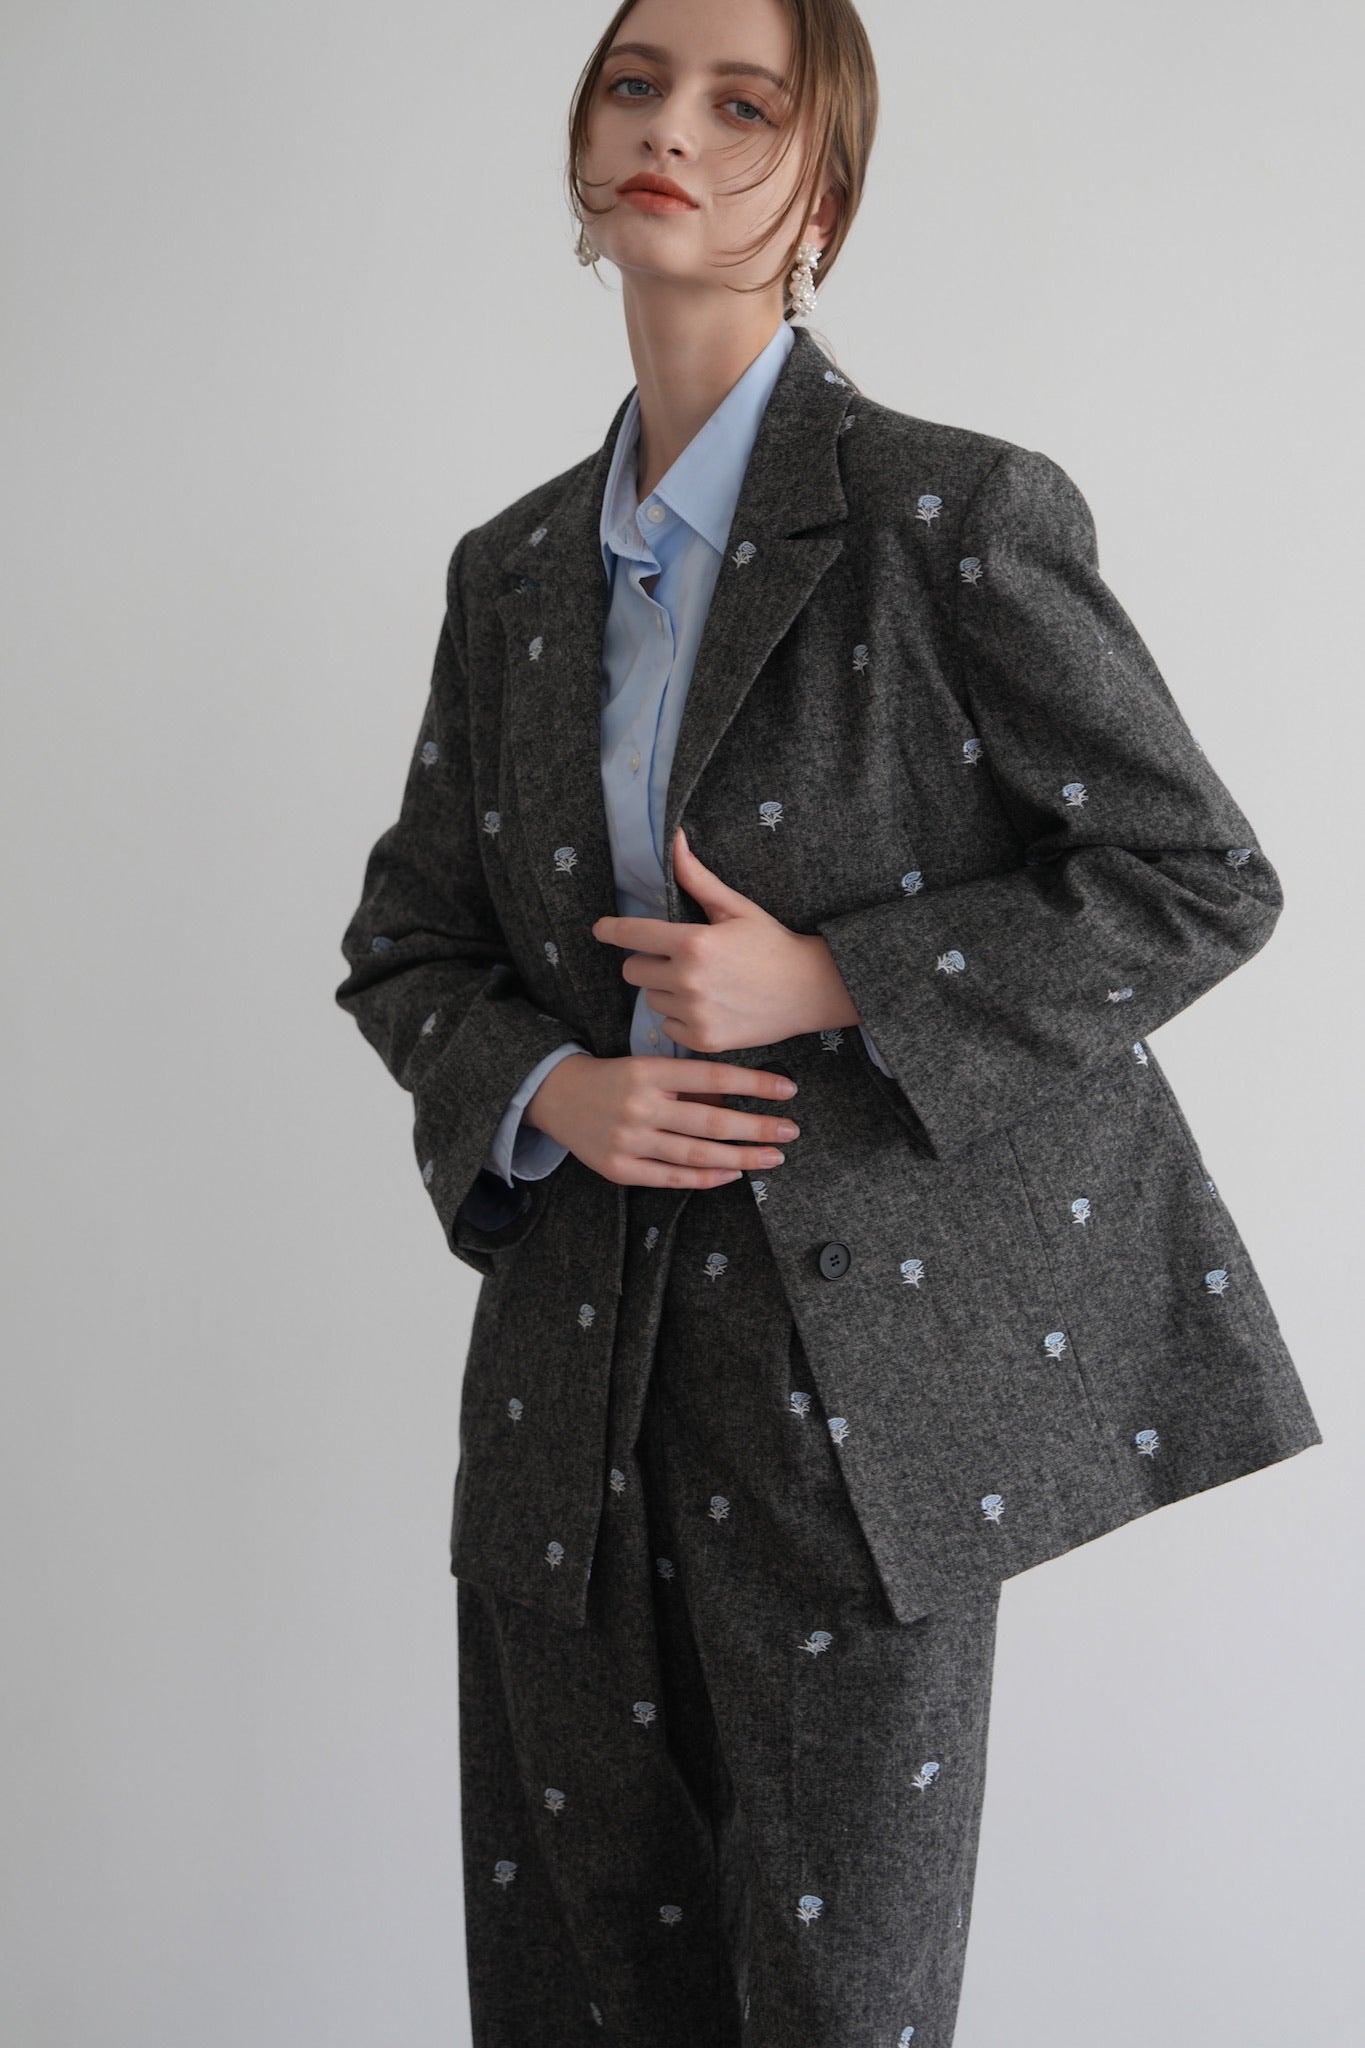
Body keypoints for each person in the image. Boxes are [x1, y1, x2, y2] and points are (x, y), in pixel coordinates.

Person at [333, 2, 1323, 2041]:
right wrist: (547, 1087)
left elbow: (1190, 874)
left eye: (741, 103)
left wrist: (832, 978)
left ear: (822, 200)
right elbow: (410, 944)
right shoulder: (508, 572)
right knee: (572, 1995)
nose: (669, 127)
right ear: (580, 148)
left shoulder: (952, 517)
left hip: (853, 1403)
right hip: (560, 1405)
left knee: (834, 2003)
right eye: (633, 83)